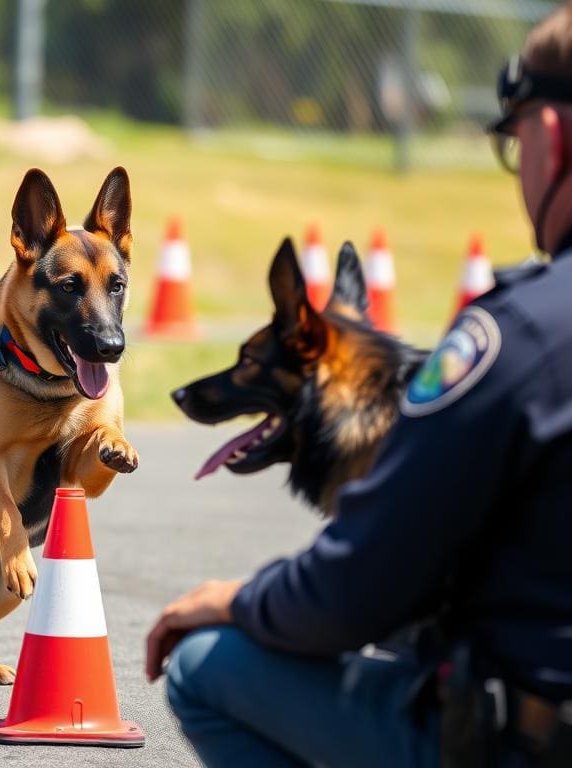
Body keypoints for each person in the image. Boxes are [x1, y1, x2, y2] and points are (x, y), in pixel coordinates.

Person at [146, 5, 572, 767]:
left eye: (514, 141)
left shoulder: (524, 339)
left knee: (203, 666)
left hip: (527, 744)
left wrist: (236, 600)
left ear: (552, 136)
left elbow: (356, 590)